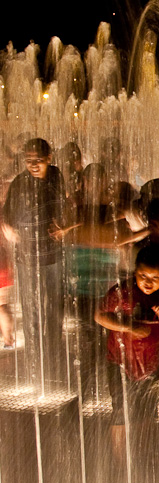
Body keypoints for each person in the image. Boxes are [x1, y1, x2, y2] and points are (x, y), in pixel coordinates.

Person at [95, 244, 159, 464]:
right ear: (135, 271)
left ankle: (141, 454)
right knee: (121, 410)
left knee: (146, 408)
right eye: (143, 275)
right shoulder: (121, 292)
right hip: (120, 362)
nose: (148, 282)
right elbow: (99, 316)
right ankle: (121, 461)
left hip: (150, 364)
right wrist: (128, 327)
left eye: (156, 277)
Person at [2, 138, 70, 389]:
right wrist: (8, 227)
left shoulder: (56, 178)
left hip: (53, 257)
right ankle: (35, 369)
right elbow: (7, 214)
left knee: (53, 312)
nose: (32, 165)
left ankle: (52, 363)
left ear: (49, 158)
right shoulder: (20, 182)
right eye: (28, 160)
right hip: (27, 258)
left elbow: (69, 209)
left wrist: (66, 227)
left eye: (38, 160)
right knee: (31, 314)